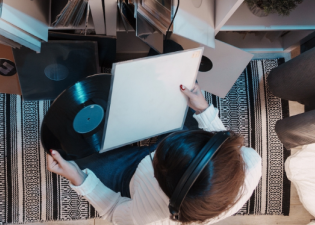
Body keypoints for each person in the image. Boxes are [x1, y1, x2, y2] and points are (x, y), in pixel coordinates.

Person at [47, 83, 262, 225]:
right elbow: (221, 142)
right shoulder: (251, 163)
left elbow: (113, 209)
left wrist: (78, 179)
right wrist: (204, 110)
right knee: (176, 81)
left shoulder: (150, 217)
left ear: (158, 178)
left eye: (156, 160)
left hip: (131, 176)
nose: (155, 152)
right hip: (191, 152)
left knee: (70, 154)